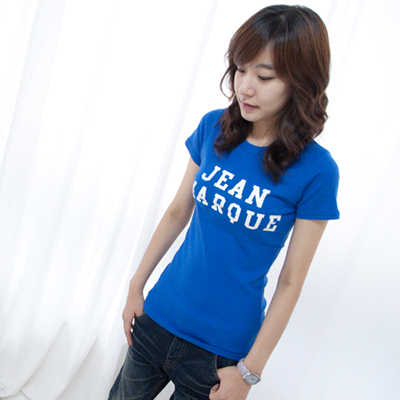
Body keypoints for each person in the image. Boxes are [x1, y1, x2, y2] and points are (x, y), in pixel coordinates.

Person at [108, 4, 339, 400]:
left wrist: (249, 372)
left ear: (301, 82)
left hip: (219, 354)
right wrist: (135, 286)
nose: (244, 87)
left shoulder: (317, 171)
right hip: (158, 317)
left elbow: (290, 282)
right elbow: (177, 212)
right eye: (239, 69)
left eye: (264, 77)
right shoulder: (214, 126)